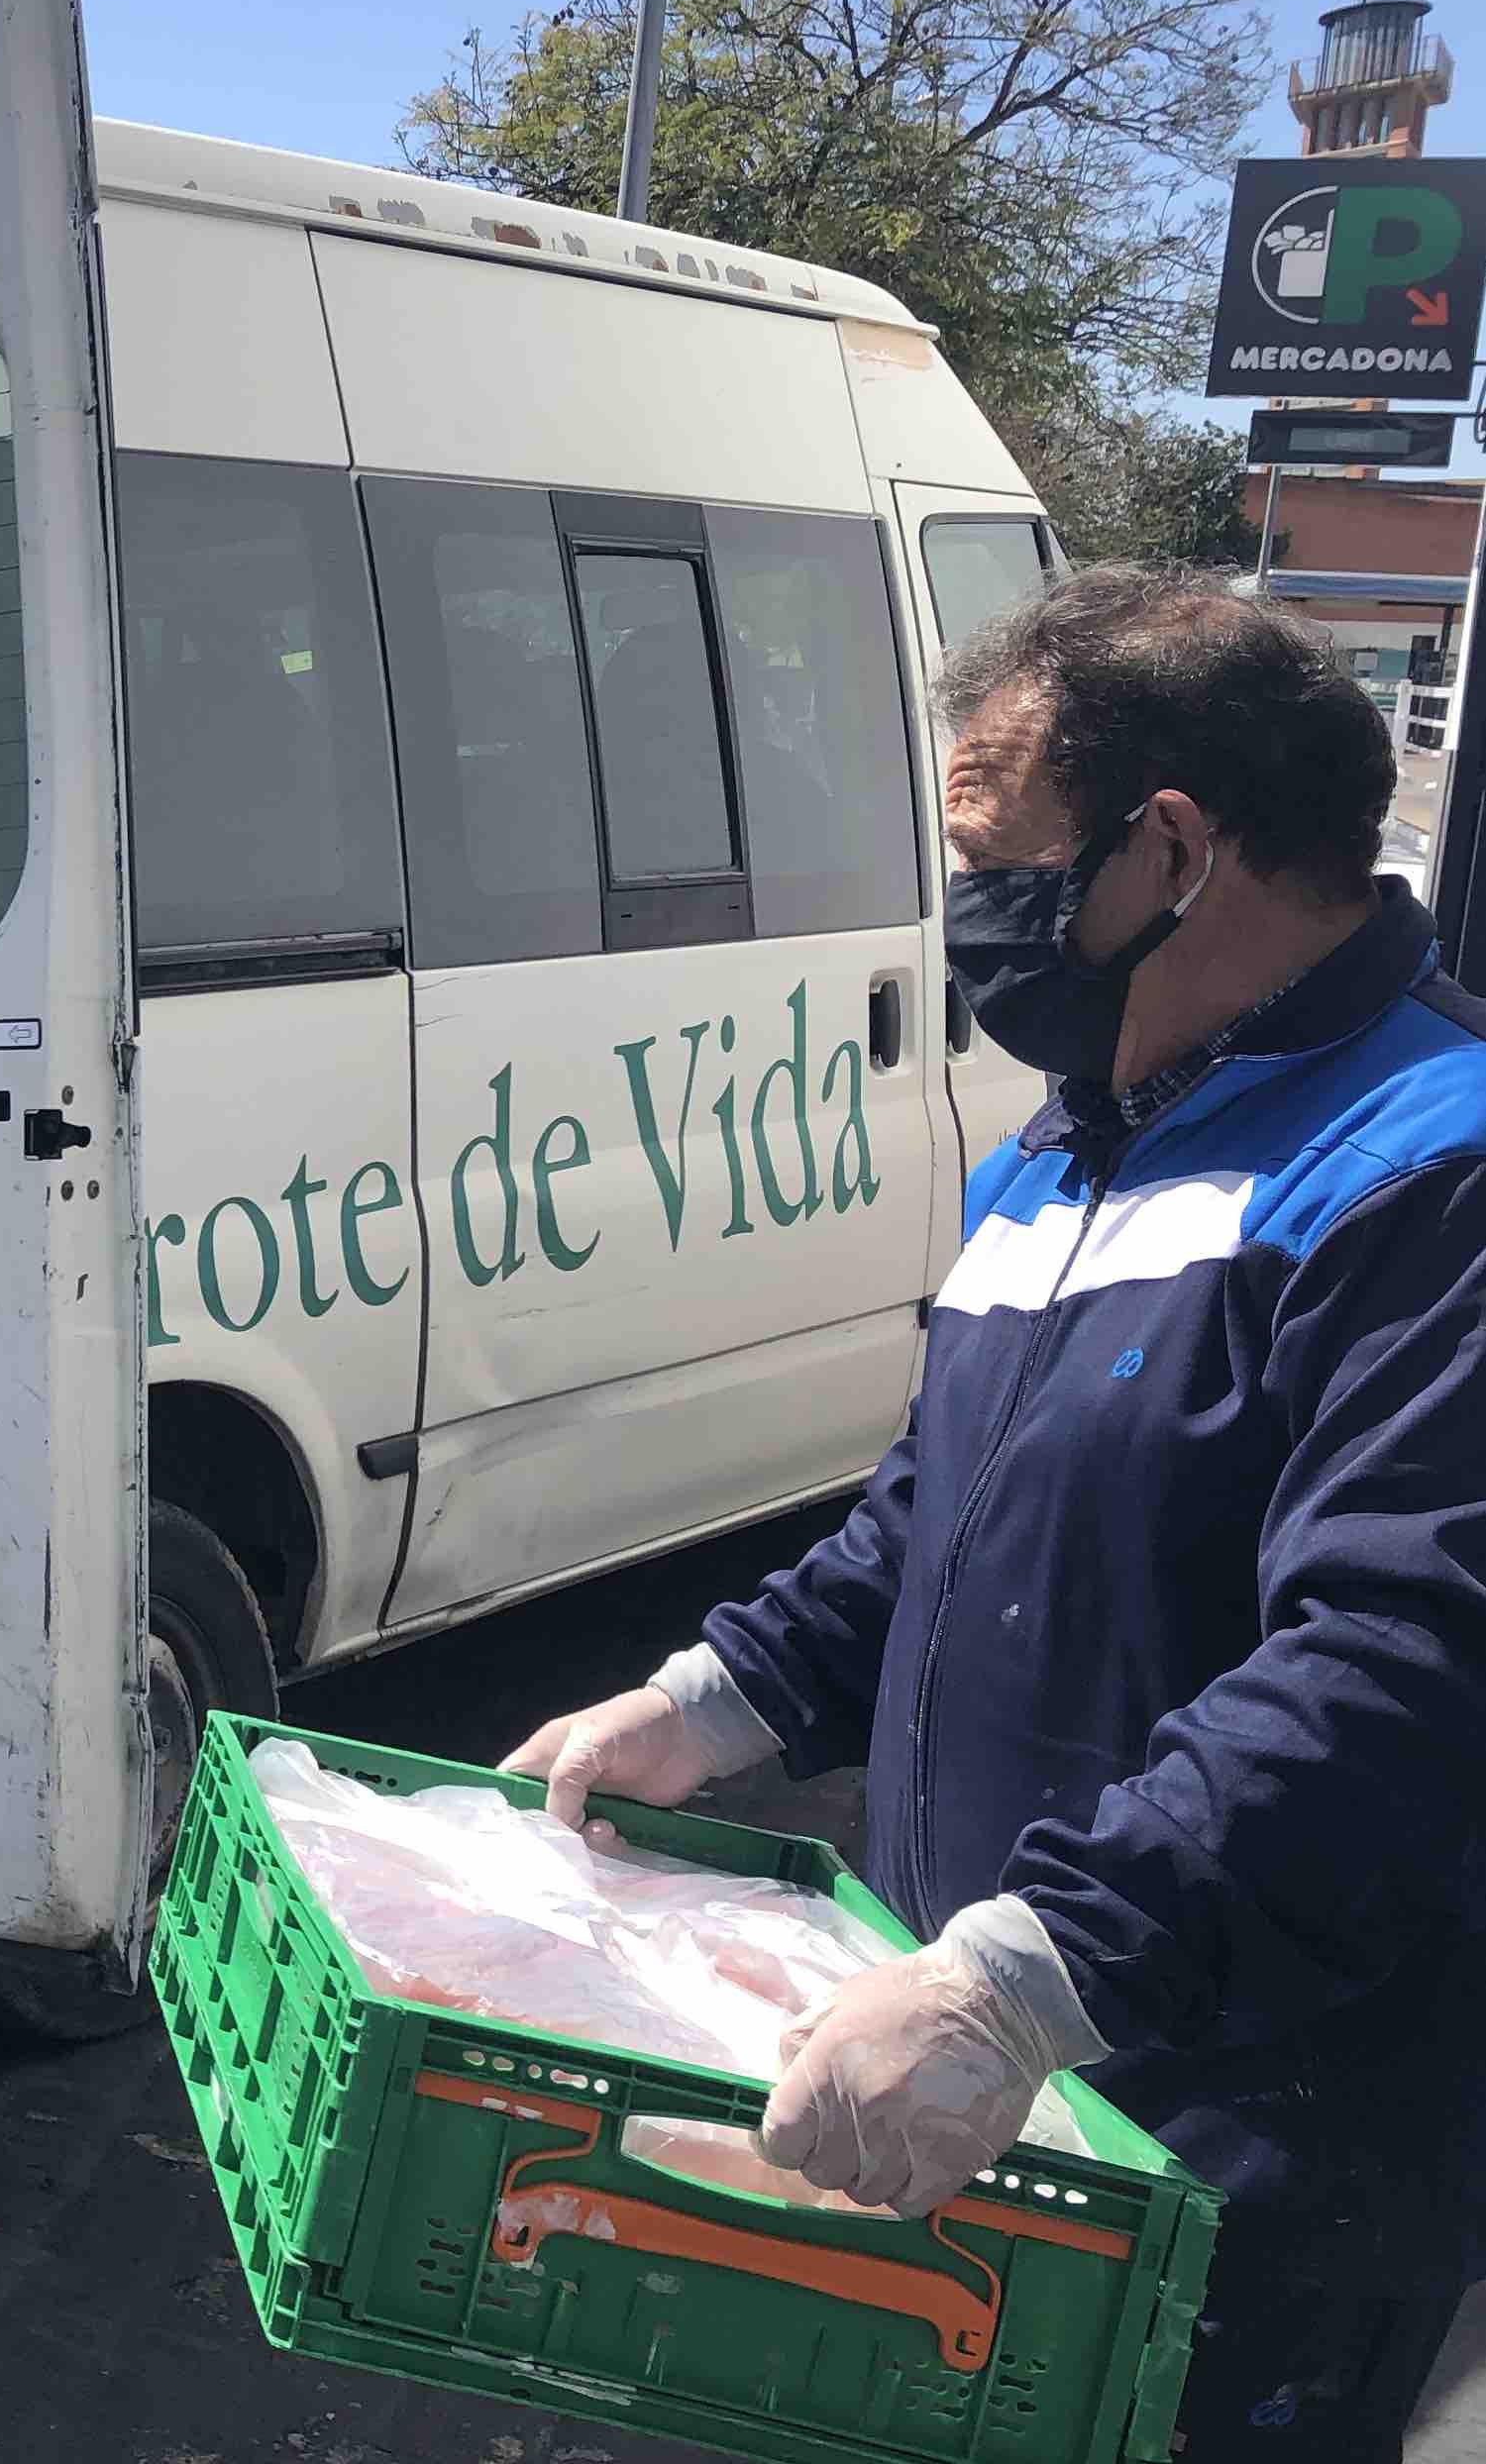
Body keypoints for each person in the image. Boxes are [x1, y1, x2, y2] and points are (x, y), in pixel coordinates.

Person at [505, 565, 1486, 2459]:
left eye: (992, 858)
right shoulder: (1062, 1149)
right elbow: (927, 1523)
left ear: (1174, 851)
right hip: (1001, 2111)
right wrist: (714, 1698)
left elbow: (1407, 1664)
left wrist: (1026, 1977)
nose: (966, 923)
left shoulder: (1429, 1173)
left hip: (1249, 2159)